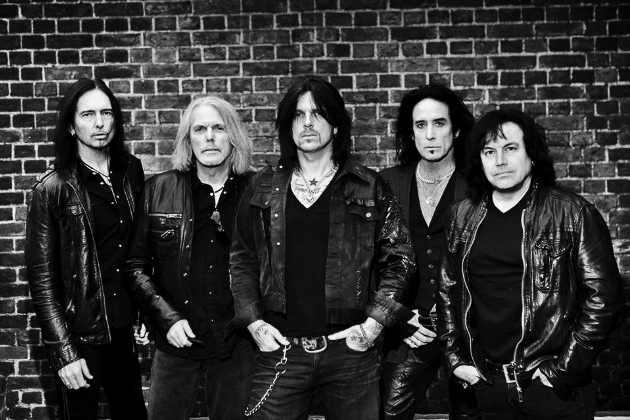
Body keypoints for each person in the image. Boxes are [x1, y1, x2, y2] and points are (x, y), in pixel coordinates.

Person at [228, 76, 416, 419]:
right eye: (298, 115)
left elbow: (399, 259)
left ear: (336, 125)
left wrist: (373, 326)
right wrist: (254, 324)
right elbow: (242, 259)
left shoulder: (368, 185)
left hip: (350, 354)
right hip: (281, 350)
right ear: (288, 126)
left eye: (317, 114)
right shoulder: (262, 186)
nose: (307, 123)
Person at [437, 109, 624, 419]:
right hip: (483, 385)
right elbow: (448, 291)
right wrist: (455, 361)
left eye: (510, 148)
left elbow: (604, 301)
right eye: (489, 151)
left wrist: (562, 371)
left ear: (532, 154)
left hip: (550, 388)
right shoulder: (461, 215)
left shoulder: (573, 213)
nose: (500, 161)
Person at [125, 95, 255, 420]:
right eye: (200, 129)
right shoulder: (159, 189)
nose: (209, 137)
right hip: (176, 338)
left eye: (219, 128)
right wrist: (165, 318)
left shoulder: (257, 191)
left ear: (233, 136)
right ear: (188, 139)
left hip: (237, 341)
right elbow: (135, 266)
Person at [24, 78, 147, 420]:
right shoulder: (52, 189)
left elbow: (138, 249)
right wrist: (64, 352)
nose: (100, 123)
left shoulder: (131, 170)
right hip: (79, 337)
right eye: (88, 114)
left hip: (123, 328)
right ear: (71, 126)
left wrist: (143, 312)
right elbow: (42, 281)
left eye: (106, 113)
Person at [379, 85, 479, 420]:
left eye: (440, 123)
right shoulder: (387, 183)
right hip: (408, 329)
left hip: (467, 333)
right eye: (421, 125)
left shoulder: (478, 185)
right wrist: (397, 317)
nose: (431, 135)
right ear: (411, 133)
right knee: (388, 413)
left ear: (456, 129)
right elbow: (367, 262)